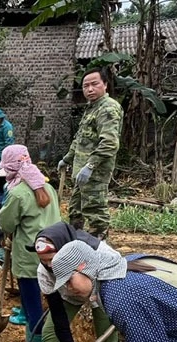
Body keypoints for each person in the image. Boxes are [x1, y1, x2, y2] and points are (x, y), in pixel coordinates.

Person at [0, 145, 61, 342]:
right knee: (49, 306)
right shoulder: (49, 188)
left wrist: (8, 230)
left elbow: (6, 222)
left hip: (29, 258)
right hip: (53, 256)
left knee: (32, 308)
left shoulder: (18, 193)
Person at [57, 68, 123, 239]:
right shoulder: (91, 108)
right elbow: (80, 139)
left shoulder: (108, 108)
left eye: (94, 84)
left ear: (105, 85)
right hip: (81, 173)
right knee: (75, 210)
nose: (90, 89)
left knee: (95, 212)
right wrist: (67, 158)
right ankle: (76, 246)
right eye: (86, 86)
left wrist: (90, 166)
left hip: (95, 173)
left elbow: (109, 143)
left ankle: (98, 251)